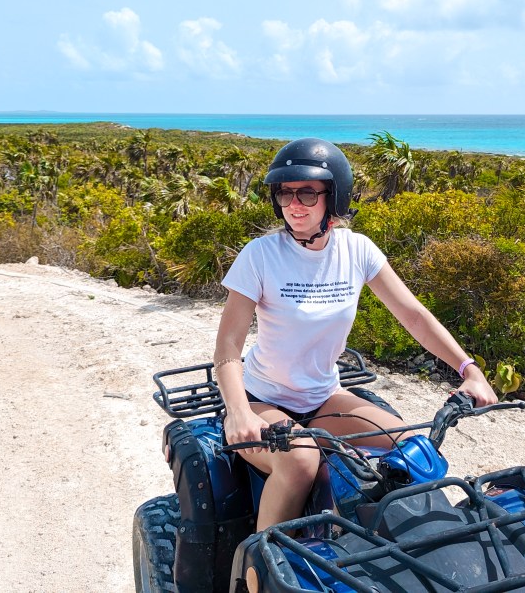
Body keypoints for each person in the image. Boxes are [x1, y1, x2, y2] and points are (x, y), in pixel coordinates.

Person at [213, 137, 497, 530]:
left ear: (335, 197)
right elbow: (228, 351)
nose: (294, 204)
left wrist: (468, 369)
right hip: (262, 399)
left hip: (324, 397)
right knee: (300, 460)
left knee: (409, 449)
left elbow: (413, 315)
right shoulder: (260, 256)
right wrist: (239, 412)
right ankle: (259, 574)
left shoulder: (357, 250)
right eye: (285, 192)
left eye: (308, 193)